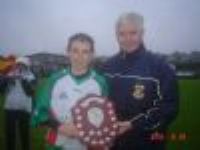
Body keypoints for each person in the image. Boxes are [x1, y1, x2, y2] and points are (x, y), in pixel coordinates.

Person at [101, 12, 179, 150]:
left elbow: (168, 107)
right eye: (122, 34)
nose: (127, 39)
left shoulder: (160, 66)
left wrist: (133, 124)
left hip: (147, 143)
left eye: (133, 33)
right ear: (116, 35)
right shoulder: (107, 66)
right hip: (113, 142)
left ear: (142, 33)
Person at [31, 33, 109, 150]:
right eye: (75, 51)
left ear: (92, 55)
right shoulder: (54, 80)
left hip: (86, 145)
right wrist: (60, 127)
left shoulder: (100, 83)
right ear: (68, 52)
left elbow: (104, 117)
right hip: (56, 144)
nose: (79, 56)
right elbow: (40, 114)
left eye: (85, 52)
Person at [0, 57, 36, 150]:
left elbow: (30, 92)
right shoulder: (10, 74)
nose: (19, 66)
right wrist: (6, 80)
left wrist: (22, 80)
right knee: (10, 133)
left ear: (26, 66)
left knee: (24, 133)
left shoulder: (31, 76)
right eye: (18, 64)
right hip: (10, 107)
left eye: (22, 65)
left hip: (24, 109)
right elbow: (2, 91)